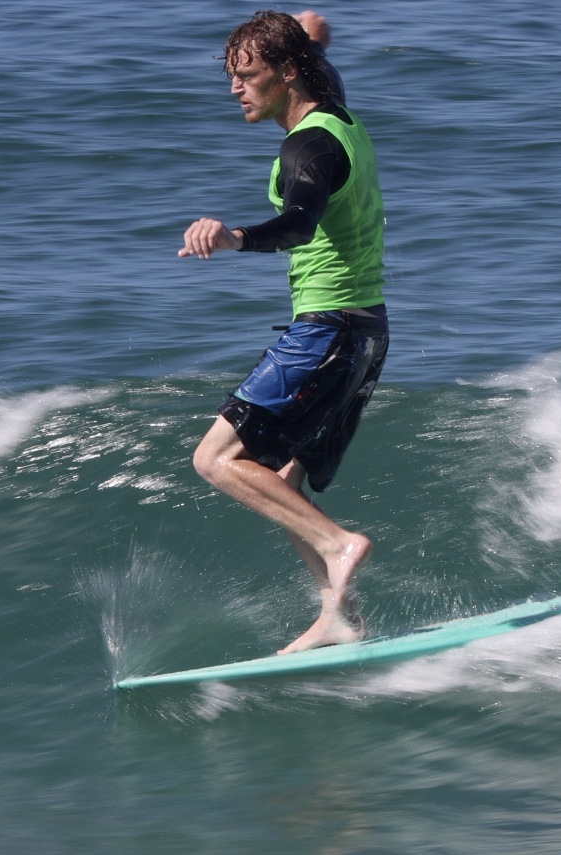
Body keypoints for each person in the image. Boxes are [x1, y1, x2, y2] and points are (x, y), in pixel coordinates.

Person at [179, 10, 387, 654]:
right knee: (284, 480)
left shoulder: (308, 146)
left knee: (215, 460)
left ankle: (339, 545)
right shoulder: (333, 115)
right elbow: (315, 52)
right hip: (367, 333)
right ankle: (340, 616)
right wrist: (307, 38)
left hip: (324, 334)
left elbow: (299, 221)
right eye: (233, 76)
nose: (236, 89)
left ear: (288, 73)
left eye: (249, 75)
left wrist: (235, 237)